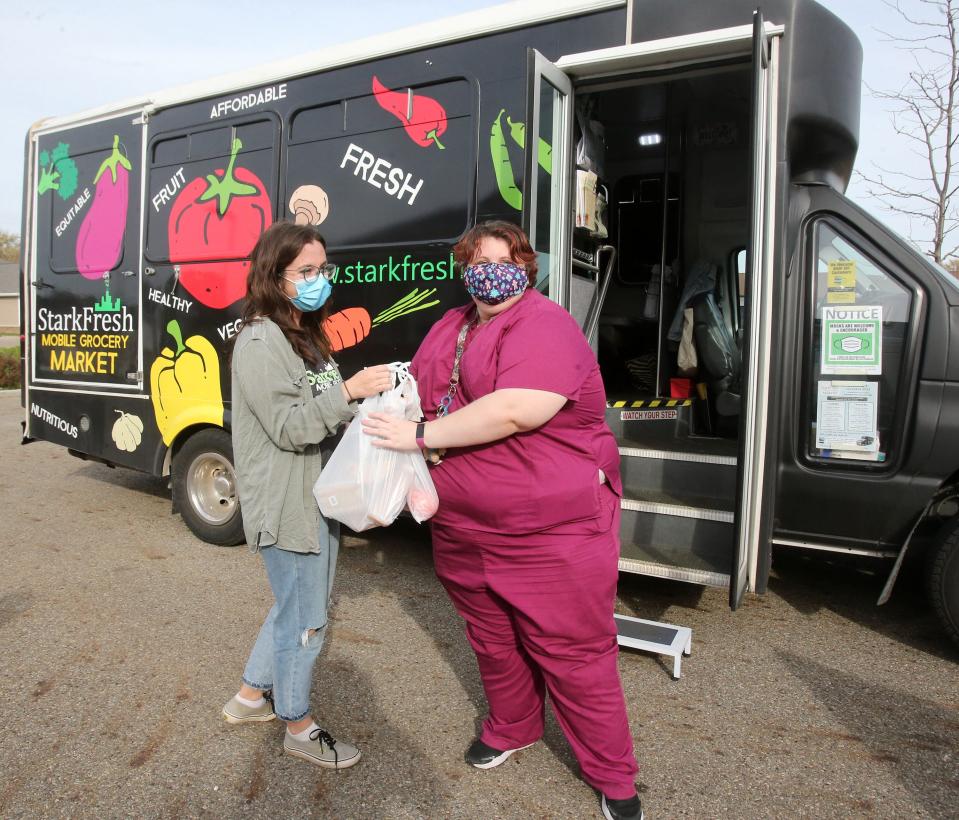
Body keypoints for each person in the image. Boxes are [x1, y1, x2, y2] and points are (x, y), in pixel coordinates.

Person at [362, 221, 642, 820]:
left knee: (574, 655)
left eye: (502, 259)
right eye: (477, 260)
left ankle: (613, 776)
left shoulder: (546, 324)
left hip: (550, 534)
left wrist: (424, 437)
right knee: (491, 641)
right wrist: (405, 402)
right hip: (463, 528)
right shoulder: (453, 323)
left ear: (525, 266)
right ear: (464, 268)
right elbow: (427, 386)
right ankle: (514, 726)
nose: (489, 269)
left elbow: (519, 408)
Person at [221, 221, 392, 769]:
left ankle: (251, 698)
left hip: (315, 497)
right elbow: (291, 427)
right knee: (306, 620)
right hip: (286, 504)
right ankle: (297, 724)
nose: (320, 280)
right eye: (307, 272)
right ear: (275, 276)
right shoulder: (258, 341)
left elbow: (326, 419)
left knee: (292, 606)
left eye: (324, 269)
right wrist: (348, 391)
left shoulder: (304, 335)